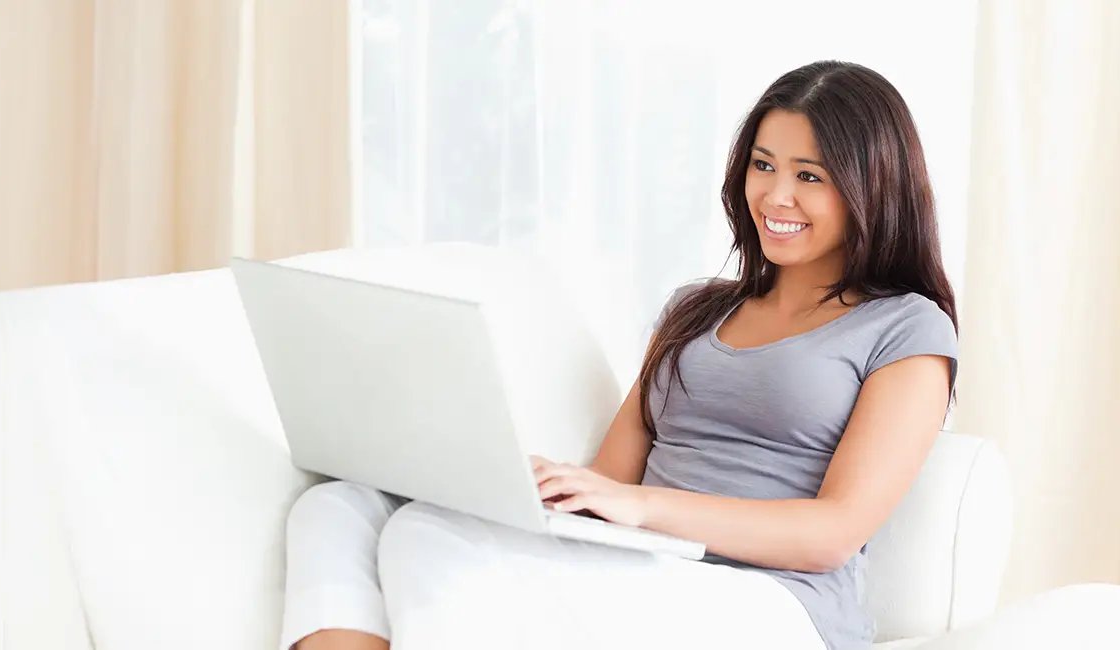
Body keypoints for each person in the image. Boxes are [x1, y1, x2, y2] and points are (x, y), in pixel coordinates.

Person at [282, 60, 959, 650]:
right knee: (342, 504)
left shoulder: (904, 328)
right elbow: (608, 483)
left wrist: (642, 508)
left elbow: (833, 532)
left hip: (774, 606)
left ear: (872, 187)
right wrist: (502, 482)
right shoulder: (698, 311)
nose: (775, 197)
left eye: (809, 175)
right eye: (763, 165)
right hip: (643, 565)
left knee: (425, 538)